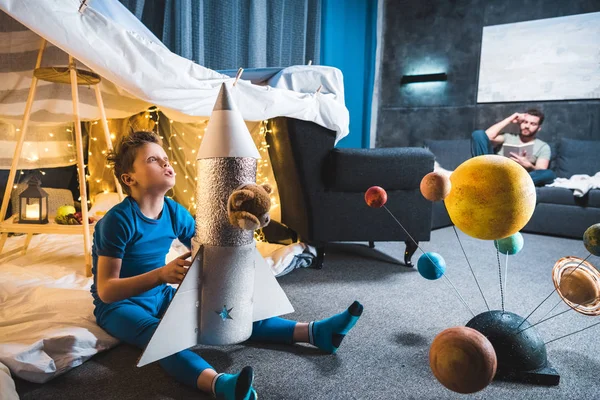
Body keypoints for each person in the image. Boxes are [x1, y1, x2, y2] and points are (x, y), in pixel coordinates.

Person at [91, 131, 363, 400]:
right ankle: (219, 384)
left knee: (223, 310)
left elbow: (209, 246)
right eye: (153, 160)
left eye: (165, 157)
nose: (165, 163)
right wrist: (161, 275)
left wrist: (239, 228)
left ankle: (315, 332)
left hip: (159, 296)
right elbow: (106, 290)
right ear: (129, 179)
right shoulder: (118, 221)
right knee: (162, 335)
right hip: (119, 306)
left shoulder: (174, 212)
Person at [471, 109, 556, 186]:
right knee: (478, 134)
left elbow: (541, 170)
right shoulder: (508, 137)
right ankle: (487, 178)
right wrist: (510, 119)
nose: (527, 126)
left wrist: (529, 165)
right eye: (525, 122)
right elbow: (487, 136)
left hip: (519, 178)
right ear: (520, 123)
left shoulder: (543, 146)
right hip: (495, 172)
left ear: (539, 128)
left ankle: (508, 185)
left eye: (533, 124)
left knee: (549, 174)